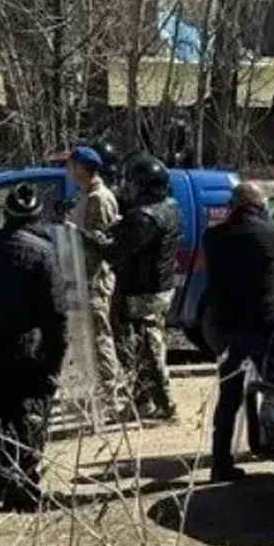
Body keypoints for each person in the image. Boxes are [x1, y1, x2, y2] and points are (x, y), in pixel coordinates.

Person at [0, 183, 68, 511]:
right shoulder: (43, 252)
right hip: (27, 354)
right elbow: (57, 313)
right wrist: (56, 358)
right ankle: (24, 486)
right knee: (27, 419)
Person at [205, 182, 274, 482]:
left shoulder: (213, 237)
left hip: (228, 326)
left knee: (228, 396)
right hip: (266, 325)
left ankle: (220, 462)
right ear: (260, 206)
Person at [112, 154, 183, 421]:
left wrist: (93, 239)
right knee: (140, 348)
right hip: (158, 287)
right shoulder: (170, 208)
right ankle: (144, 401)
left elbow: (119, 250)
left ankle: (165, 404)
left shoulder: (144, 217)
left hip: (143, 290)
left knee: (147, 350)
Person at [65, 146, 126, 419]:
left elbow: (104, 242)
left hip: (96, 279)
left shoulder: (99, 199)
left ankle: (112, 398)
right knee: (93, 336)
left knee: (101, 338)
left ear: (83, 168)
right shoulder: (86, 196)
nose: (69, 170)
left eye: (73, 165)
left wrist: (75, 232)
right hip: (84, 274)